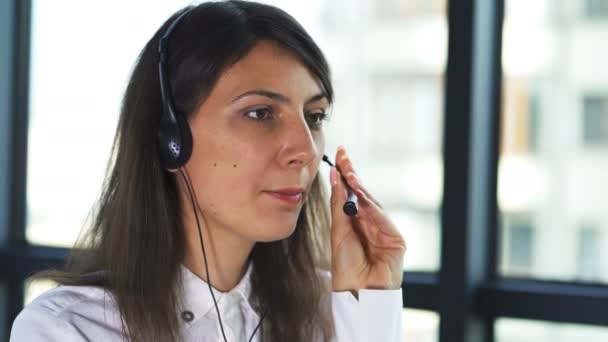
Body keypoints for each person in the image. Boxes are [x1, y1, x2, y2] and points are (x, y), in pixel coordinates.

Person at [9, 1, 406, 341]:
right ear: (172, 138)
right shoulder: (68, 329)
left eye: (315, 116)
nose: (304, 149)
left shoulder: (334, 313)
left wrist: (370, 298)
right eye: (260, 113)